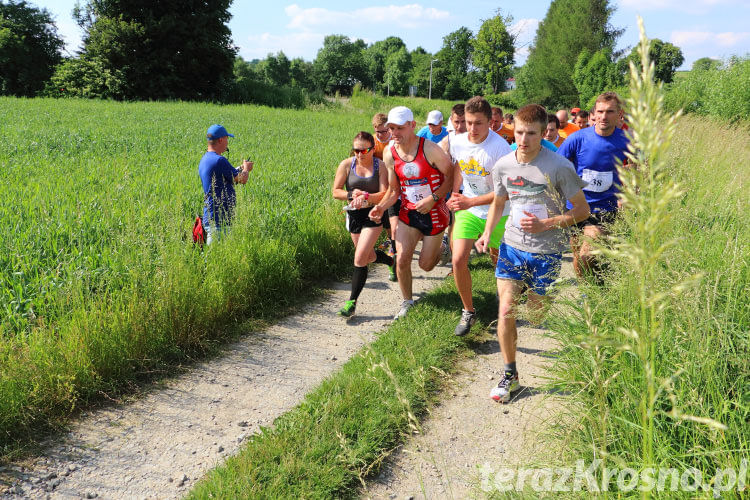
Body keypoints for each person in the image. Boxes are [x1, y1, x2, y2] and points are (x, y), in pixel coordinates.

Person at [476, 104, 590, 403]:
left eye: (532, 134)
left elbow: (582, 210)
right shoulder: (503, 165)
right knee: (505, 310)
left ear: (543, 133)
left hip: (547, 251)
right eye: (520, 132)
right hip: (512, 247)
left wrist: (547, 223)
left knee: (535, 316)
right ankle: (510, 375)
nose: (524, 140)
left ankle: (541, 297)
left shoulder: (558, 166)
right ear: (513, 129)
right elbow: (499, 202)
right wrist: (488, 233)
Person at [369, 106, 454, 319]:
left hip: (435, 213)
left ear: (412, 126)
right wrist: (380, 207)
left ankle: (442, 248)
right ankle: (407, 302)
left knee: (425, 265)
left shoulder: (431, 149)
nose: (394, 133)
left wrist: (433, 198)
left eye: (399, 128)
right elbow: (394, 190)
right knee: (402, 259)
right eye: (391, 128)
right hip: (409, 213)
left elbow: (451, 177)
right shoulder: (390, 152)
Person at [446, 96, 512, 336]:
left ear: (490, 123)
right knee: (458, 259)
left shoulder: (500, 149)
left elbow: (503, 193)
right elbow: (460, 166)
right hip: (469, 209)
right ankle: (468, 311)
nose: (472, 129)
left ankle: (503, 296)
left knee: (499, 262)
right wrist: (456, 193)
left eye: (478, 124)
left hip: (499, 212)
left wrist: (469, 199)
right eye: (468, 122)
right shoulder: (458, 141)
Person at [557, 92, 630, 280]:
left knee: (586, 255)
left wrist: (628, 194)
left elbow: (638, 171)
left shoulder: (627, 141)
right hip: (577, 206)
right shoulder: (577, 139)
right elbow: (557, 164)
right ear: (594, 114)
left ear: (619, 114)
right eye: (600, 111)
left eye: (610, 112)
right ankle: (587, 292)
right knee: (577, 254)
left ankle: (591, 289)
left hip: (606, 208)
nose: (604, 116)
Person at [332, 132, 396, 317]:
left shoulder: (381, 166)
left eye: (364, 150)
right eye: (356, 150)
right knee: (368, 256)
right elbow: (335, 192)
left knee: (359, 257)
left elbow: (385, 193)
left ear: (372, 148)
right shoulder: (346, 164)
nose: (360, 154)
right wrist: (352, 195)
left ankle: (351, 302)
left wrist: (366, 197)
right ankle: (390, 261)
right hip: (354, 216)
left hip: (373, 215)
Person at [198, 124, 253, 245]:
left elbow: (227, 174)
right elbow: (242, 179)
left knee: (216, 258)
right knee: (215, 260)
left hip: (212, 217)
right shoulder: (219, 160)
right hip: (220, 221)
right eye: (227, 139)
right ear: (221, 140)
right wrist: (246, 169)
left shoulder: (206, 159)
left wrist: (239, 168)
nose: (228, 142)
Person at [372, 112, 398, 255]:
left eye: (384, 131)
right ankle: (390, 238)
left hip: (394, 181)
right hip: (379, 181)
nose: (381, 134)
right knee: (384, 214)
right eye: (378, 132)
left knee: (392, 213)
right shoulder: (372, 141)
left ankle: (395, 242)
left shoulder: (395, 140)